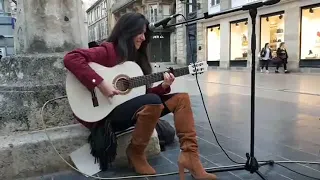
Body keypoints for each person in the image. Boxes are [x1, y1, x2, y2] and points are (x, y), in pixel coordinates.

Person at [63, 12, 217, 180]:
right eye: (140, 32)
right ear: (127, 31)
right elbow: (72, 58)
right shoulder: (108, 51)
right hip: (105, 114)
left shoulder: (138, 59)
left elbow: (141, 96)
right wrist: (101, 83)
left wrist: (164, 86)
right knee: (152, 101)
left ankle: (190, 158)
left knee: (181, 99)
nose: (144, 37)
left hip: (131, 110)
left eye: (145, 33)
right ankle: (136, 152)